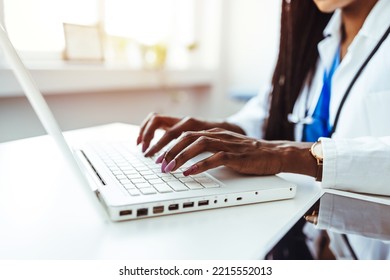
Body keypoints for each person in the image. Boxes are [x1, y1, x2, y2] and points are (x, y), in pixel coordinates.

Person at [137, 0, 390, 259]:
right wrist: (227, 130)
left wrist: (284, 154)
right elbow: (271, 108)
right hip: (309, 232)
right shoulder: (315, 36)